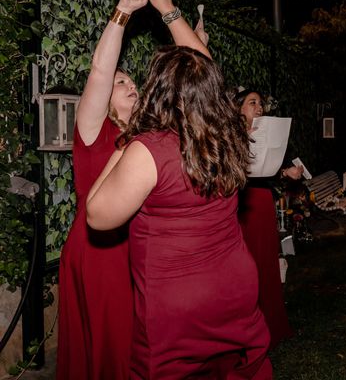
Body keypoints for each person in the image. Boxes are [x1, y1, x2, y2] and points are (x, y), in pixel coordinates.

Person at [56, 0, 211, 380]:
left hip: (144, 248)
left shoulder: (153, 133)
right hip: (101, 250)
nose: (130, 86)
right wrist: (123, 11)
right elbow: (101, 70)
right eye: (121, 84)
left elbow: (202, 82)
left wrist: (189, 41)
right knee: (113, 344)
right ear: (105, 101)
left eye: (133, 82)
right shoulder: (94, 131)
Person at [86, 47, 272, 379]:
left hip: (180, 303)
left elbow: (98, 215)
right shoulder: (229, 138)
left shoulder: (149, 149)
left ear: (162, 91)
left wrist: (126, 144)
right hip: (236, 287)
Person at [234, 88, 300, 349]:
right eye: (252, 103)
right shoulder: (228, 135)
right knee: (243, 266)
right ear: (238, 108)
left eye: (260, 103)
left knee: (265, 261)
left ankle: (270, 322)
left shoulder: (266, 134)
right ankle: (243, 327)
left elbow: (267, 170)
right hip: (237, 204)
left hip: (260, 200)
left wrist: (287, 172)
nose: (259, 108)